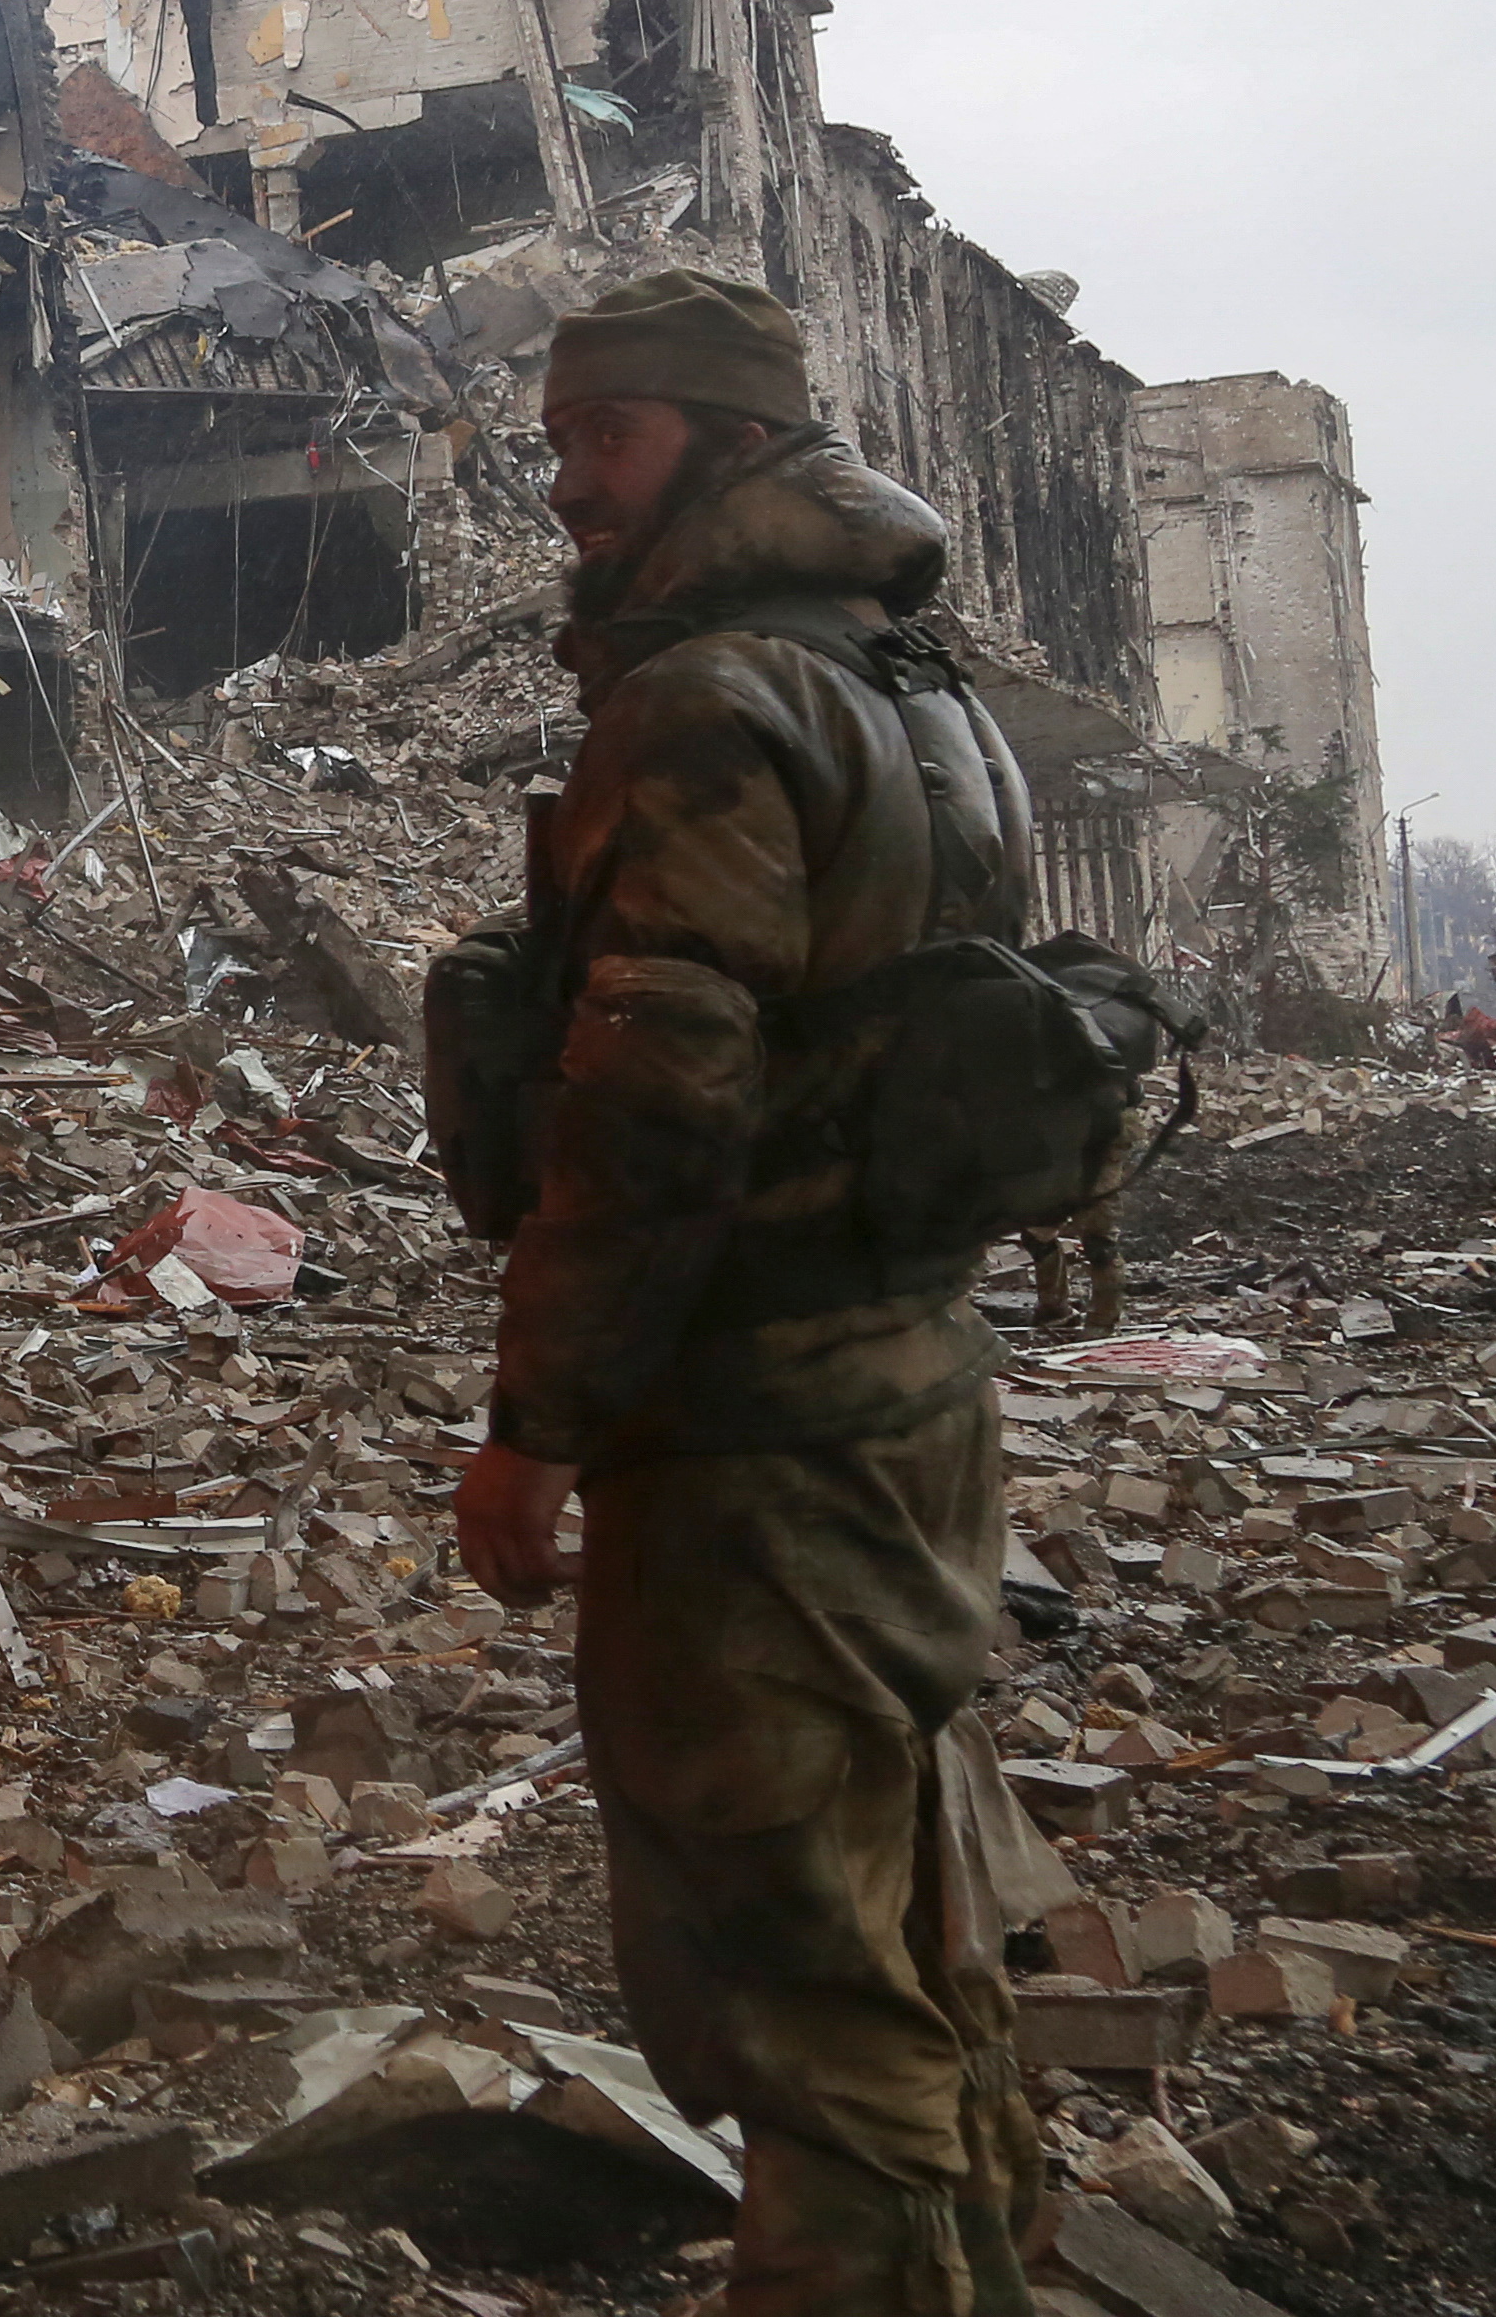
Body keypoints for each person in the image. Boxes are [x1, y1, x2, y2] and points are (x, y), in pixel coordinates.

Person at [449, 269, 1038, 2316]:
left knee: (791, 1954)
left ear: (723, 435)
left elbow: (660, 1110)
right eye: (554, 445)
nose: (567, 489)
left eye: (603, 440)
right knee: (903, 1905)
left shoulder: (711, 704)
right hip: (914, 1387)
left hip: (757, 1432)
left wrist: (540, 1427)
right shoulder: (918, 683)